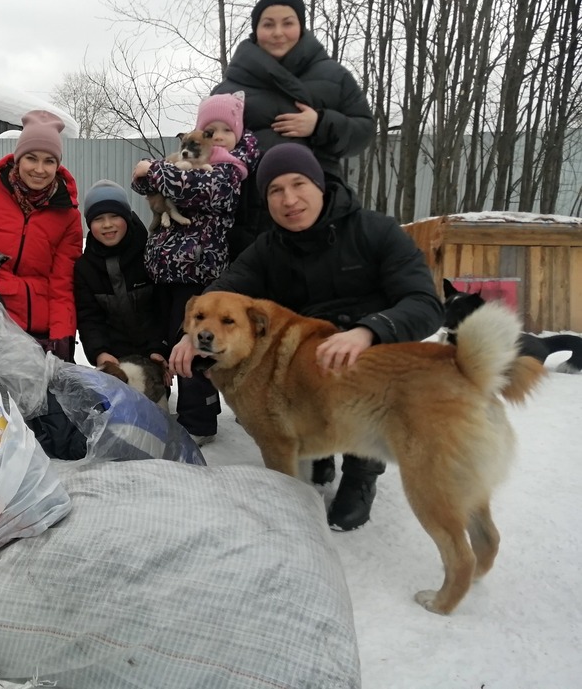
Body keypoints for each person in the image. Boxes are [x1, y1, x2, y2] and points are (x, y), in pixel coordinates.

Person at [169, 143, 443, 531]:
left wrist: (369, 331)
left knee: (360, 411)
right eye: (275, 191)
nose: (289, 199)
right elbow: (226, 289)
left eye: (298, 184)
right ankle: (321, 452)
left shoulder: (375, 231)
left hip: (371, 358)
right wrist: (190, 332)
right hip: (309, 361)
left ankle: (361, 475)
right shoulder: (269, 247)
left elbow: (425, 303)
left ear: (320, 184)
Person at [131, 92, 259, 441]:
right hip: (165, 272)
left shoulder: (229, 171)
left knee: (192, 347)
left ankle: (198, 422)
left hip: (198, 274)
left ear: (237, 135)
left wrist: (152, 169)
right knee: (165, 345)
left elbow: (188, 185)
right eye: (210, 129)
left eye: (224, 130)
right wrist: (148, 176)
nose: (217, 136)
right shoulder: (191, 159)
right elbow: (140, 183)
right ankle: (166, 409)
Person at [212, 0, 374, 257]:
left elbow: (364, 131)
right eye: (268, 24)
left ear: (300, 26)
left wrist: (320, 124)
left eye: (287, 23)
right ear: (255, 30)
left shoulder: (334, 76)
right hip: (250, 212)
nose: (278, 32)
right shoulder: (229, 88)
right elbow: (208, 146)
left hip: (322, 207)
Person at [0, 110, 83, 361]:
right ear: (18, 158)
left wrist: (62, 337)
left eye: (49, 161)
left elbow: (62, 285)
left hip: (36, 332)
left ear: (58, 165)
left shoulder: (68, 215)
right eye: (31, 158)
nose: (39, 169)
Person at [73, 179, 165, 373]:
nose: (107, 224)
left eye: (114, 215)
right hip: (114, 361)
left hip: (154, 356)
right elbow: (89, 318)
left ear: (127, 217)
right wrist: (100, 352)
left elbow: (163, 307)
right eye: (98, 219)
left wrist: (159, 348)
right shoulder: (85, 268)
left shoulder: (151, 254)